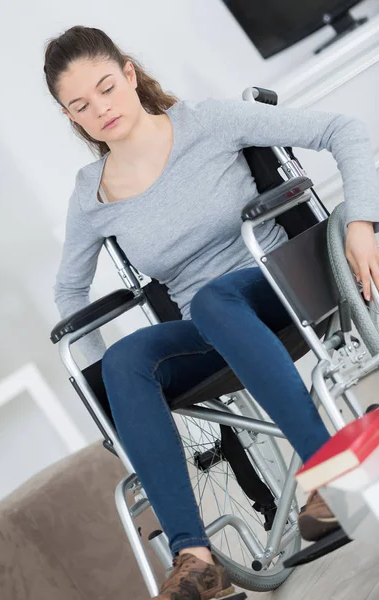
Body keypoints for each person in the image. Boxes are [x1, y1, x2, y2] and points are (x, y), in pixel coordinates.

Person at [45, 25, 379, 600]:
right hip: (209, 326)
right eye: (80, 105)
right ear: (69, 116)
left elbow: (340, 128)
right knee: (126, 361)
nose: (100, 109)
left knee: (210, 299)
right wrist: (108, 398)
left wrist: (361, 224)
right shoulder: (90, 194)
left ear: (128, 72)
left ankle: (331, 472)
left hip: (280, 283)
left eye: (105, 88)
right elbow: (70, 294)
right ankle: (195, 560)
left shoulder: (209, 122)